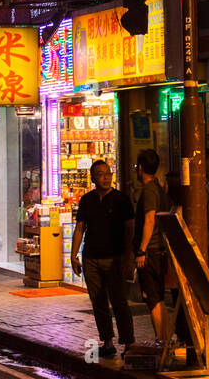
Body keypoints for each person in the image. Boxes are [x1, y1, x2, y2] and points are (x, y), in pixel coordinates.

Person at [71, 159, 135, 358]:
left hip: (115, 258)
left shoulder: (121, 200)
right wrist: (73, 255)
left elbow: (130, 229)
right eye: (101, 174)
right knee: (98, 301)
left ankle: (128, 343)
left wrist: (128, 257)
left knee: (119, 301)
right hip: (91, 257)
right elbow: (80, 228)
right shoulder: (87, 200)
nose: (106, 178)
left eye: (108, 174)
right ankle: (107, 342)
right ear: (93, 178)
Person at [133, 149, 170, 344]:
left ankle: (160, 339)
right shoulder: (158, 187)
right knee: (158, 296)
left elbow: (149, 220)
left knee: (152, 297)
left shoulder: (148, 190)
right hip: (159, 250)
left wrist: (142, 250)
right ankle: (164, 337)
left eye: (136, 167)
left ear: (140, 168)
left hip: (151, 252)